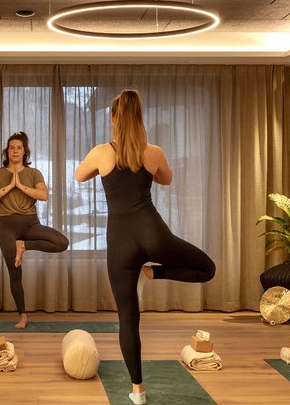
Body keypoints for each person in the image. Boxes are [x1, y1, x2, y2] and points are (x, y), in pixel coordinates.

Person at [75, 90, 215, 405]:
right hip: (153, 233)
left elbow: (79, 175)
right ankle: (155, 274)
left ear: (113, 118)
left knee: (128, 317)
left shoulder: (101, 152)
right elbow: (166, 179)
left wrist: (103, 167)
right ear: (140, 118)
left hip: (120, 243)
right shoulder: (154, 152)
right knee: (208, 269)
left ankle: (137, 390)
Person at [0, 131, 69, 328]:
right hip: (7, 226)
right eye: (12, 147)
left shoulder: (33, 173)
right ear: (7, 151)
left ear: (25, 151)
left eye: (19, 147)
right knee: (15, 272)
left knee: (62, 242)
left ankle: (24, 245)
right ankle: (22, 316)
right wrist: (9, 185)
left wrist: (20, 185)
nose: (15, 150)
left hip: (31, 224)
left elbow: (43, 195)